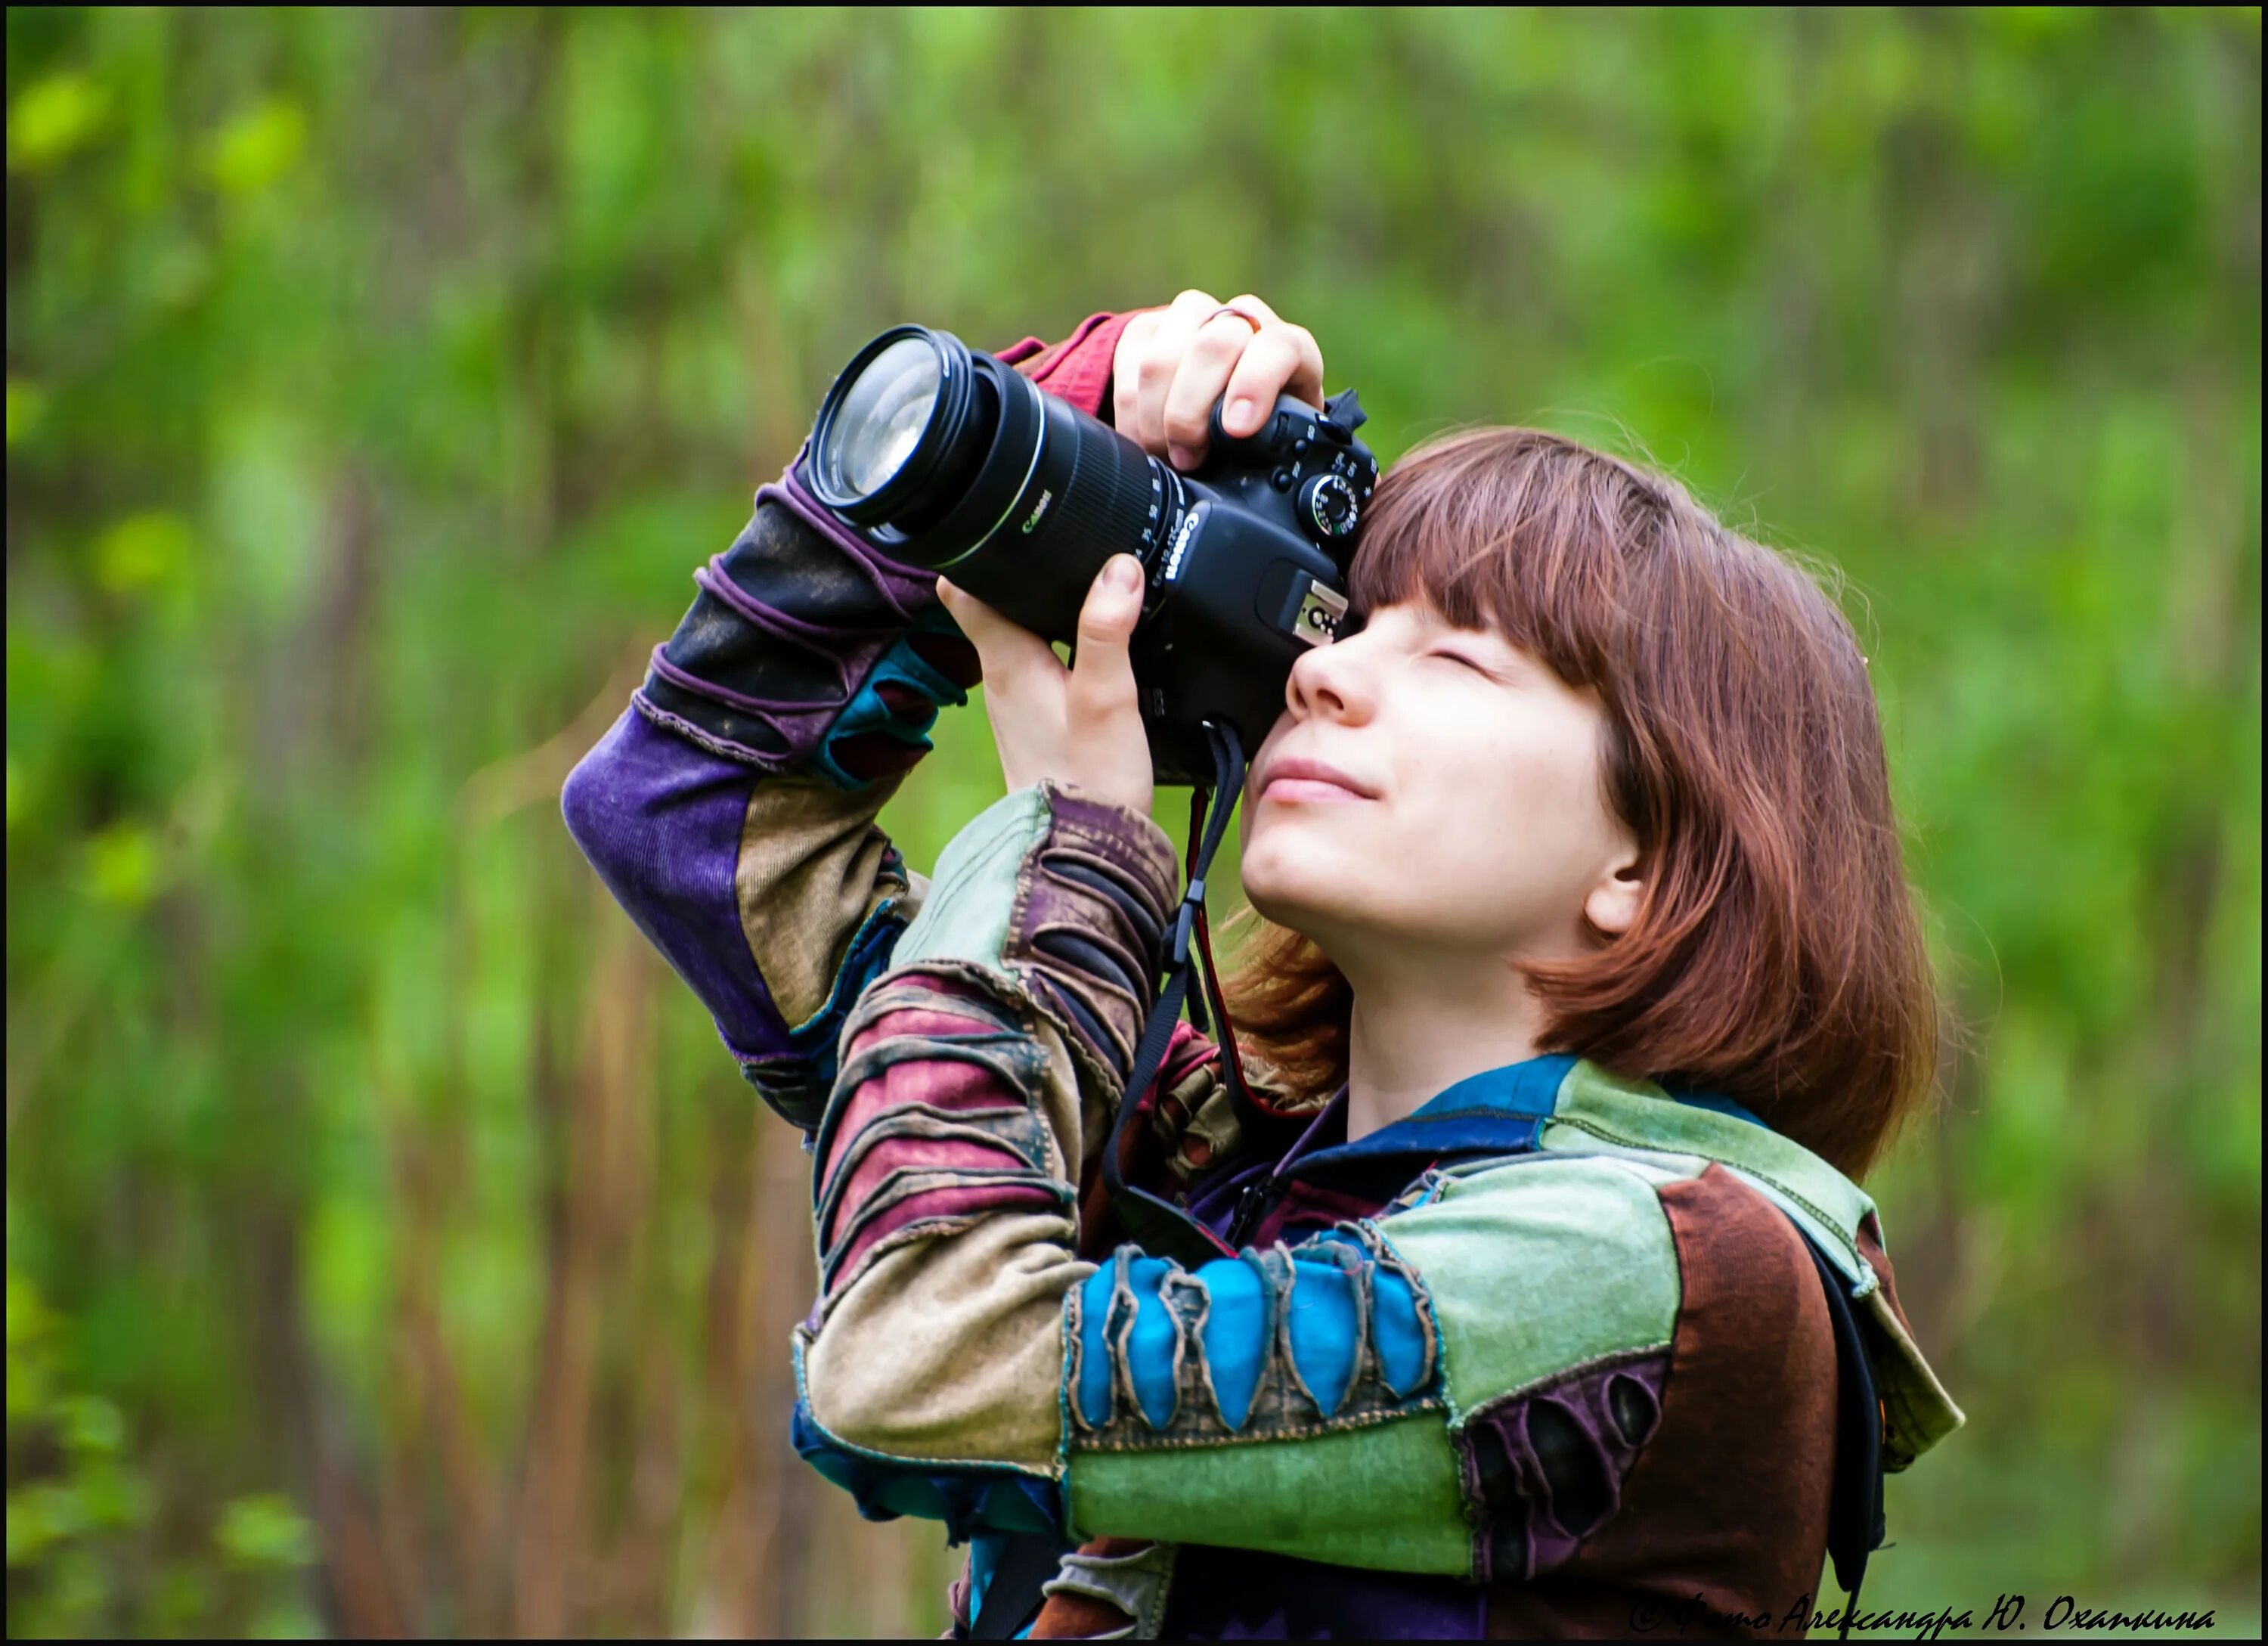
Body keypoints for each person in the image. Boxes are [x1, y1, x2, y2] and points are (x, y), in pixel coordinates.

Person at [562, 290, 1964, 1638]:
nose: (1324, 674)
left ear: (1645, 864)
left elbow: (917, 1354)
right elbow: (689, 808)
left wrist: (1079, 864)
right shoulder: (1217, 1172)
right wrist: (1073, 409)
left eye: (1460, 662)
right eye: (1353, 626)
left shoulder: (1670, 1269)